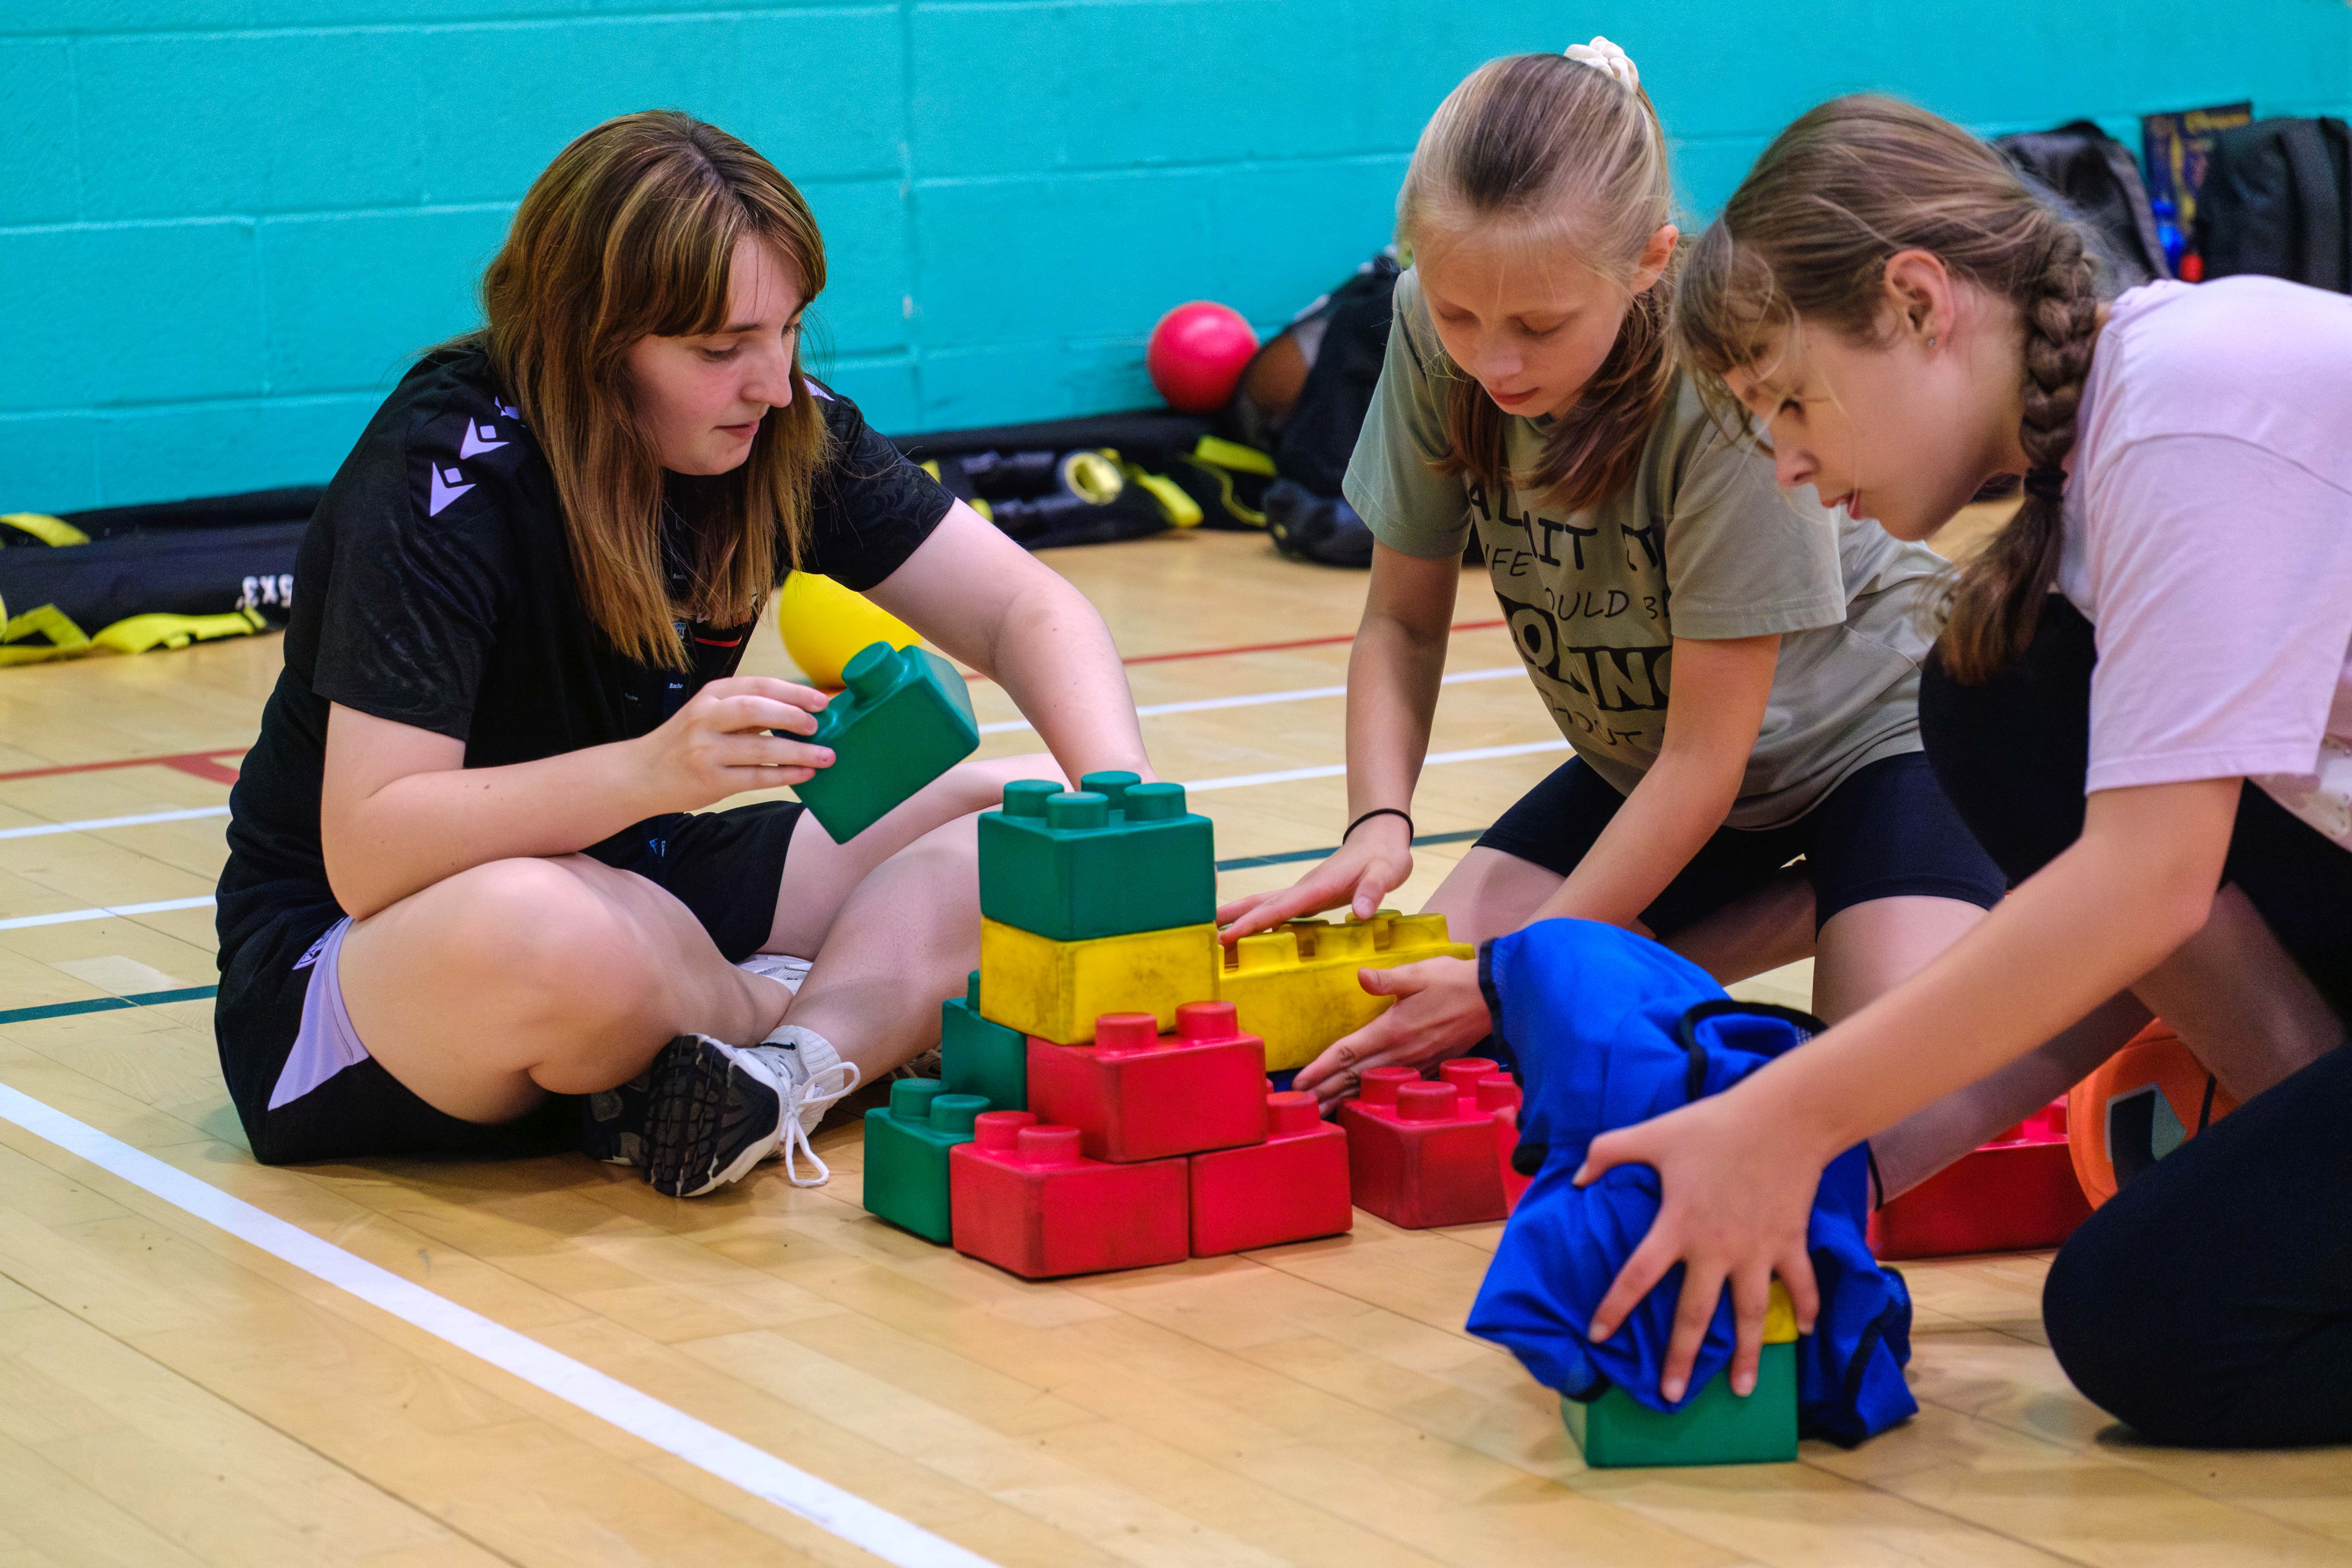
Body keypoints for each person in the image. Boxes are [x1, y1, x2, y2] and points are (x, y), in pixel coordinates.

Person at [1589, 94, 2351, 1445]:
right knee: (1993, 698)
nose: (1788, 462)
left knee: (2152, 1326)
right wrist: (1852, 1156)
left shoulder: (2187, 412)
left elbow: (2148, 893)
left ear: (1919, 302)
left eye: (1791, 397)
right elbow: (2122, 958)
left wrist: (1782, 1116)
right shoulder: (2093, 501)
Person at [214, 111, 1150, 1199]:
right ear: (589, 339)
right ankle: (809, 1012)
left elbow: (1025, 610)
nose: (777, 383)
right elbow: (373, 849)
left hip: (633, 877)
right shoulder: (441, 475)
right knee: (548, 930)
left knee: (1031, 809)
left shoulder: (783, 429)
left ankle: (781, 1071)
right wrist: (655, 770)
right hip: (373, 955)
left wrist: (1125, 807)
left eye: (790, 330)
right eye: (722, 351)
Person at [1217, 43, 2006, 1106]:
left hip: (1873, 745)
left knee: (1891, 1114)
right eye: (1459, 315)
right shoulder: (1425, 330)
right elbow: (1402, 622)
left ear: (1647, 262)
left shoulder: (1724, 385)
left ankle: (1891, 880)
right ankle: (1789, 909)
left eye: (1539, 327)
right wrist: (1376, 824)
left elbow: (1704, 761)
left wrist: (1515, 972)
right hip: (1659, 769)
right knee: (1415, 1021)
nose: (1494, 363)